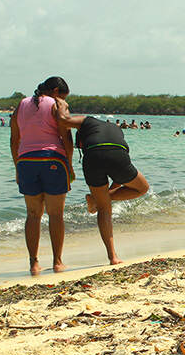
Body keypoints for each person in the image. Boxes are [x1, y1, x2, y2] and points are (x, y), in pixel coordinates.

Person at [56, 103, 149, 266]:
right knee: (142, 188)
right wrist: (105, 197)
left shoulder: (86, 121)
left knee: (104, 208)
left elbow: (63, 119)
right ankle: (97, 199)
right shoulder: (113, 127)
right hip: (118, 153)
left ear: (81, 142)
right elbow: (119, 178)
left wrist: (60, 104)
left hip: (93, 157)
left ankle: (112, 257)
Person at [10, 76, 74, 276]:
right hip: (53, 159)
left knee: (32, 214)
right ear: (56, 91)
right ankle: (57, 261)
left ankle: (34, 264)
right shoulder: (57, 105)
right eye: (62, 96)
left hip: (26, 162)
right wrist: (70, 165)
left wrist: (17, 167)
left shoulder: (21, 105)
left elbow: (14, 140)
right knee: (56, 215)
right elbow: (67, 138)